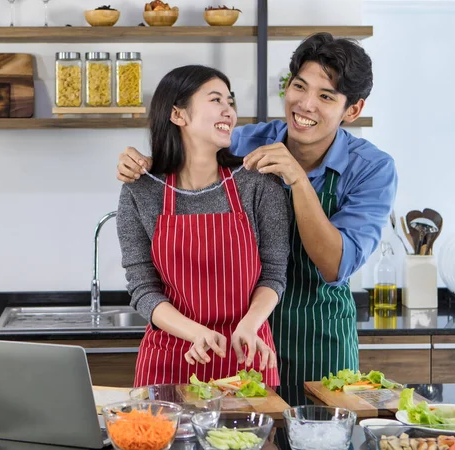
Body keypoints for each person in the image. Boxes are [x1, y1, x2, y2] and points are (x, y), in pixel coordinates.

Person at [117, 33, 398, 385]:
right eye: (299, 86)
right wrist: (143, 164)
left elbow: (335, 265)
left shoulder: (372, 168)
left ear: (352, 110)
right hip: (240, 341)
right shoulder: (246, 142)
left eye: (326, 96)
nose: (306, 104)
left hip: (318, 334)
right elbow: (191, 149)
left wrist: (296, 178)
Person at [116, 65, 291, 387]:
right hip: (172, 359)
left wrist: (250, 324)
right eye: (216, 100)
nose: (230, 111)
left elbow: (275, 273)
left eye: (230, 101)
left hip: (247, 355)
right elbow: (142, 287)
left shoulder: (258, 184)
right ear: (178, 115)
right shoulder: (141, 189)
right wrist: (196, 333)